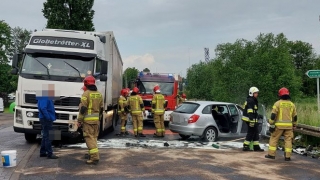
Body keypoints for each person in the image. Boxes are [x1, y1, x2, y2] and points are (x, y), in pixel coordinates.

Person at [265, 87, 297, 161]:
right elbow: (295, 116)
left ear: (280, 95)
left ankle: (271, 155)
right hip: (289, 127)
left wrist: (270, 122)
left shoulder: (277, 103)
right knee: (288, 141)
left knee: (274, 139)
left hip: (279, 127)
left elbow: (273, 115)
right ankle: (287, 156)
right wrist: (294, 125)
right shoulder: (292, 104)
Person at [78, 75, 103, 165]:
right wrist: (98, 119)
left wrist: (79, 120)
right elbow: (101, 108)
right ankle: (91, 154)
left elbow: (83, 108)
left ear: (85, 83)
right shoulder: (99, 94)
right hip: (96, 120)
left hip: (88, 120)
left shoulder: (86, 94)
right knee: (94, 138)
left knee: (89, 138)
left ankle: (94, 157)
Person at [36, 84, 59, 159]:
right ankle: (50, 153)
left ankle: (43, 152)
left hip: (45, 118)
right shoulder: (45, 97)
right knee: (49, 136)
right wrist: (48, 117)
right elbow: (43, 108)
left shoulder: (44, 97)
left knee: (45, 135)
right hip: (46, 119)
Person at [242, 87, 264, 151]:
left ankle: (256, 146)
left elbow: (254, 111)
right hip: (249, 119)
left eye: (257, 93)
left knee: (255, 132)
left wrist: (258, 116)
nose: (257, 94)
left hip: (251, 119)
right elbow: (250, 111)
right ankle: (246, 146)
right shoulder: (250, 100)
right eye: (255, 93)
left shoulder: (252, 100)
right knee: (251, 132)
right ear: (251, 93)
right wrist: (252, 121)